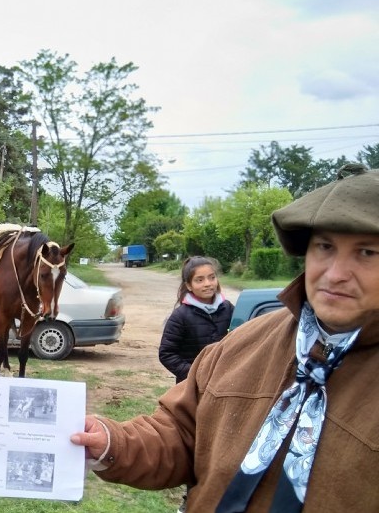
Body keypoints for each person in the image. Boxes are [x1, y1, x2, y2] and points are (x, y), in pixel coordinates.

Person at [71, 163, 379, 511]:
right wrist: (112, 442)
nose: (335, 273)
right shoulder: (244, 344)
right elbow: (182, 433)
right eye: (324, 246)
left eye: (366, 252)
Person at [159, 256, 235, 384]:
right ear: (189, 285)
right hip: (193, 388)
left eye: (212, 277)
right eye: (199, 280)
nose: (207, 284)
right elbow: (166, 354)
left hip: (224, 383)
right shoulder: (180, 316)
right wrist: (195, 375)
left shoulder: (228, 308)